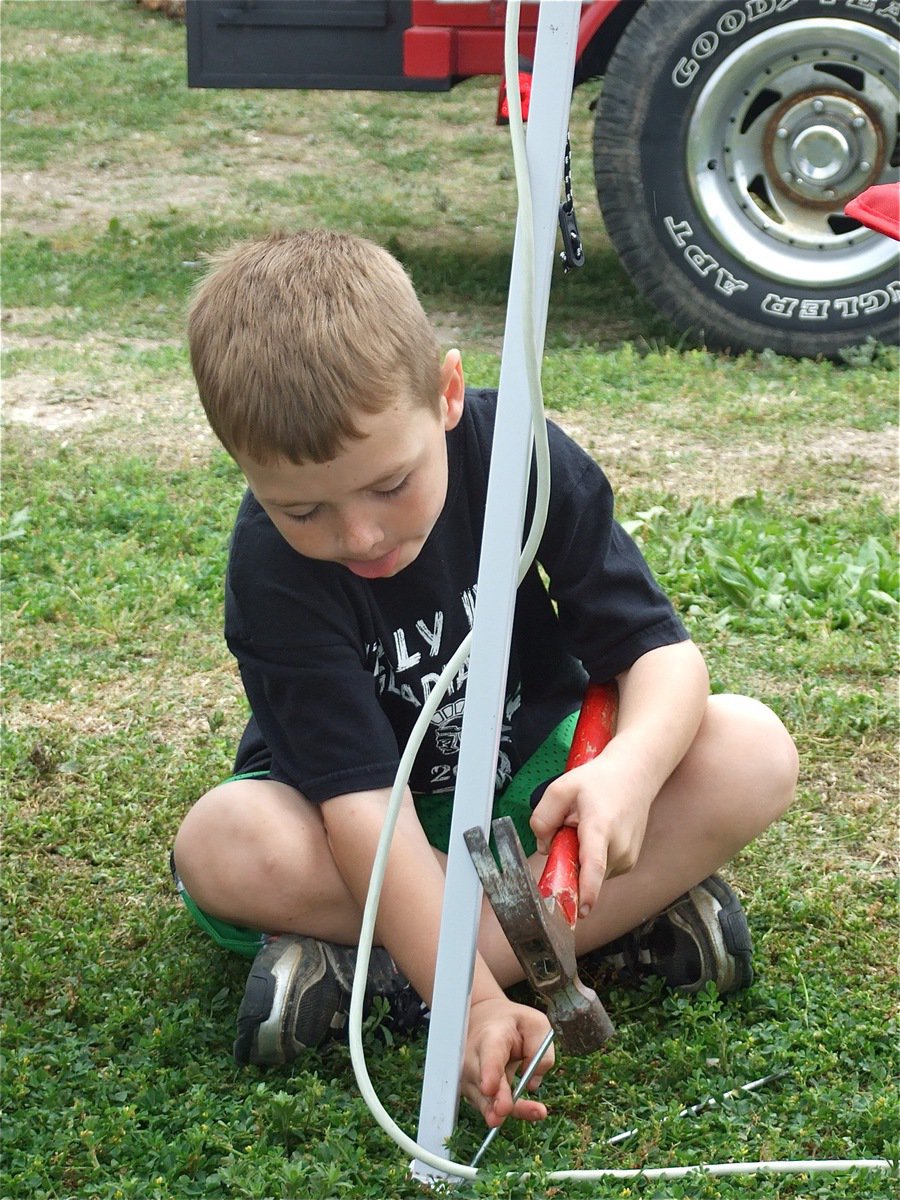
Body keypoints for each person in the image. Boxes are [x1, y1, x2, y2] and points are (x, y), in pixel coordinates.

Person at [172, 229, 798, 1130]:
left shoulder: (522, 453)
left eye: (390, 483)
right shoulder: (272, 571)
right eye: (302, 508)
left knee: (752, 749)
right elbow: (358, 810)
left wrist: (630, 773)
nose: (360, 538)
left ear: (448, 393)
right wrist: (469, 1008)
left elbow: (657, 656)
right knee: (224, 843)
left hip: (535, 793)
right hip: (364, 832)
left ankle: (375, 975)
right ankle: (599, 937)